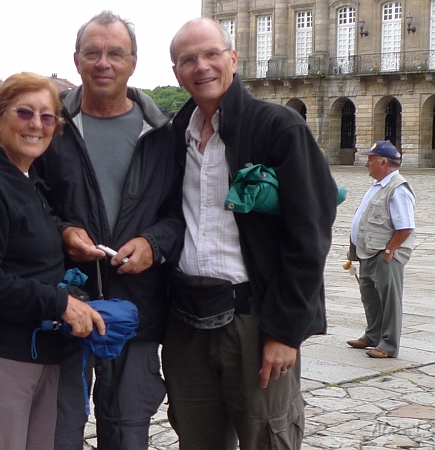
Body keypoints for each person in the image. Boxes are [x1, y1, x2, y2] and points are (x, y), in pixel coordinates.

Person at [163, 18, 338, 449]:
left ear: (233, 60)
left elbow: (310, 236)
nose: (201, 66)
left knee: (268, 437)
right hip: (187, 324)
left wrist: (285, 331)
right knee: (195, 438)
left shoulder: (278, 127)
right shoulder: (172, 138)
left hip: (255, 322)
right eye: (188, 59)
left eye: (211, 54)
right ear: (176, 73)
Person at [32, 11, 184, 450]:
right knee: (59, 429)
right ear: (76, 60)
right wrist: (62, 232)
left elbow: (181, 213)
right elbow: (31, 202)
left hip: (137, 306)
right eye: (93, 53)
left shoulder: (164, 133)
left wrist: (153, 244)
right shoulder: (49, 127)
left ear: (133, 62)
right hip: (66, 300)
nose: (104, 62)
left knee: (127, 429)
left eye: (115, 53)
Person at [0, 72, 105, 450]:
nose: (36, 125)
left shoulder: (26, 182)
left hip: (35, 359)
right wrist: (59, 303)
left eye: (47, 118)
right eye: (25, 113)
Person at [347, 141, 415, 359]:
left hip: (385, 253)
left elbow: (405, 226)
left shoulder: (397, 188)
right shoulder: (379, 185)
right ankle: (373, 335)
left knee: (389, 299)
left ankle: (388, 344)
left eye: (371, 159)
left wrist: (389, 250)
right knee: (370, 296)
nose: (367, 163)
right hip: (368, 250)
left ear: (383, 162)